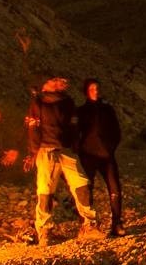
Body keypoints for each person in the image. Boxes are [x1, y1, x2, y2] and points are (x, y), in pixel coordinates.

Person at [20, 75, 104, 246]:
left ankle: (89, 226)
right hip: (46, 150)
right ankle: (44, 230)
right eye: (55, 80)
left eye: (61, 81)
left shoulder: (67, 102)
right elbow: (33, 129)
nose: (61, 83)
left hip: (66, 150)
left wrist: (77, 147)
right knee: (45, 190)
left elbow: (74, 126)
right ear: (45, 85)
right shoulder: (38, 103)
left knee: (82, 184)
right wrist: (32, 153)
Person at [77, 78, 126, 237]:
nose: (95, 91)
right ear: (86, 91)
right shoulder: (82, 111)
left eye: (97, 88)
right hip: (88, 156)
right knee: (87, 190)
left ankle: (116, 223)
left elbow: (116, 131)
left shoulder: (107, 109)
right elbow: (76, 132)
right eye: (92, 89)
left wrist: (111, 147)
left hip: (107, 155)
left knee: (115, 188)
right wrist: (79, 149)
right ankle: (87, 225)